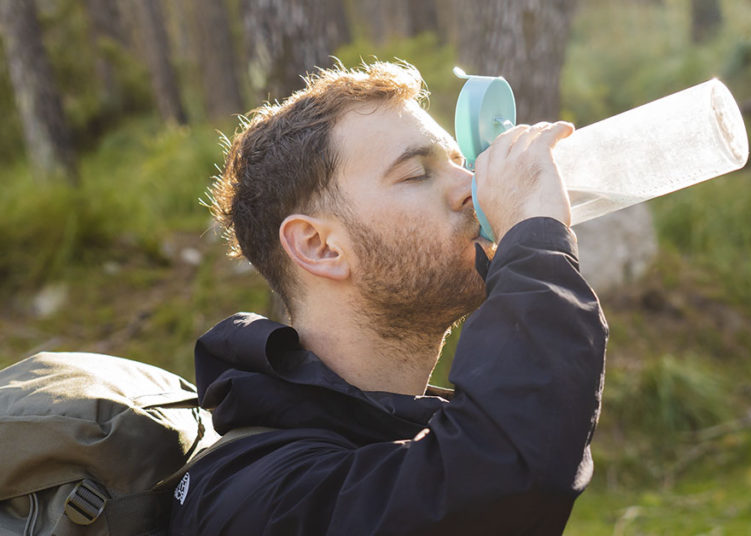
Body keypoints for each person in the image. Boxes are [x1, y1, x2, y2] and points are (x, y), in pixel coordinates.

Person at [168, 61, 608, 535]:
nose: (473, 188)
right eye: (418, 173)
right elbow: (501, 479)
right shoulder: (265, 496)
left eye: (460, 164)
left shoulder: (398, 435)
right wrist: (535, 238)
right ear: (320, 247)